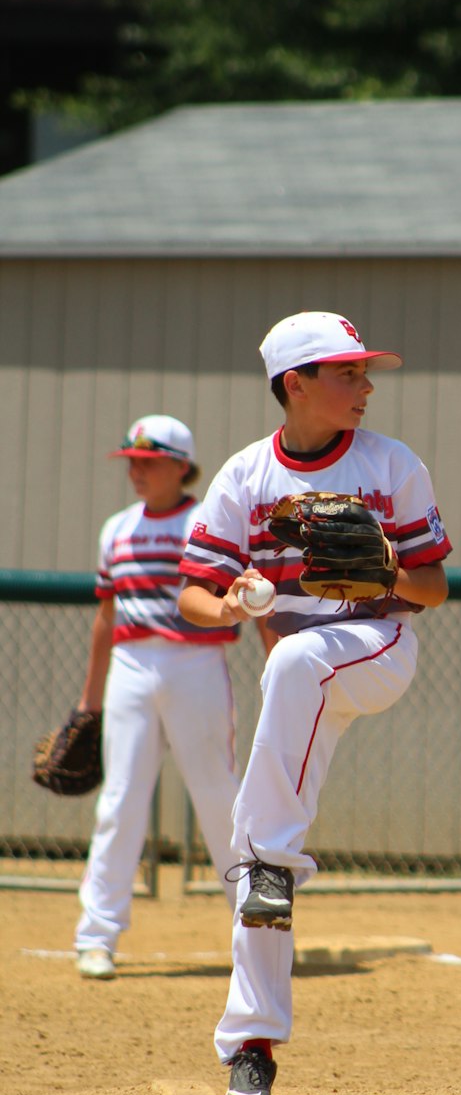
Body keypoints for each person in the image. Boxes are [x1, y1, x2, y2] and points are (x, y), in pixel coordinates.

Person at [178, 311, 451, 1095]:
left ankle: (265, 859)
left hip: (375, 646)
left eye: (365, 373)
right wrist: (228, 603)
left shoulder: (392, 464)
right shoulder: (245, 476)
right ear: (294, 384)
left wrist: (388, 562)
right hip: (296, 678)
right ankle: (250, 1047)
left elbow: (433, 591)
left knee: (294, 663)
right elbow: (193, 594)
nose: (366, 386)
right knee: (268, 847)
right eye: (347, 373)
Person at [74, 415, 251, 981]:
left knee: (220, 799)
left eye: (149, 461)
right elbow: (106, 617)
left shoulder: (207, 522)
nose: (137, 471)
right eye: (132, 461)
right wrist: (89, 701)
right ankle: (96, 936)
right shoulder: (116, 528)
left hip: (196, 660)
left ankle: (257, 935)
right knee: (119, 801)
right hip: (129, 664)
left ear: (181, 465)